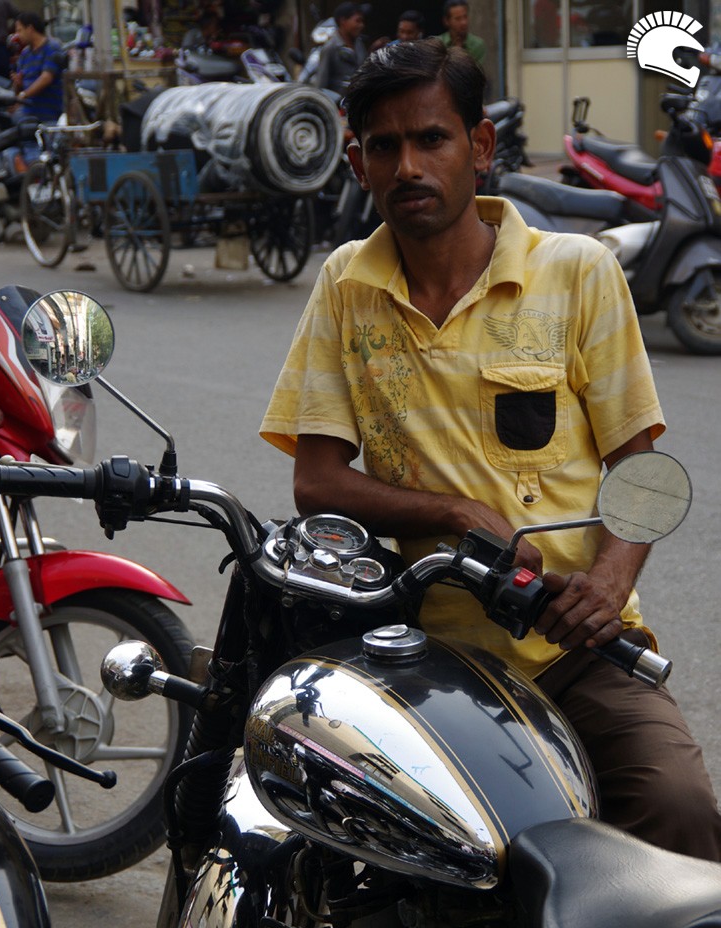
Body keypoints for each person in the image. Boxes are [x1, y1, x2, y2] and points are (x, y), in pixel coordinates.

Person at [261, 39, 721, 861]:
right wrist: (452, 512)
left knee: (678, 809)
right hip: (426, 655)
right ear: (358, 164)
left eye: (431, 139)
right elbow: (317, 481)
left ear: (479, 146)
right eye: (384, 146)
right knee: (380, 846)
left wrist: (607, 586)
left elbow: (641, 472)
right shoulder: (346, 285)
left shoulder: (577, 273)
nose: (408, 166)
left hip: (574, 646)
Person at [12, 11, 64, 124]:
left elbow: (46, 78)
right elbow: (20, 84)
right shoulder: (25, 53)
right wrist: (18, 83)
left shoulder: (52, 48)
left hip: (49, 114)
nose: (17, 35)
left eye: (19, 30)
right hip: (28, 111)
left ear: (30, 29)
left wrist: (24, 95)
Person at [315, 2, 367, 97]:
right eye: (357, 21)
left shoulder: (359, 44)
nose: (361, 25)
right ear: (343, 21)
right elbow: (321, 84)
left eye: (362, 21)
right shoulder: (330, 48)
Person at [438, 0, 484, 65]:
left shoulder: (478, 45)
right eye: (458, 18)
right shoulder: (438, 43)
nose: (464, 22)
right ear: (446, 21)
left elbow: (475, 70)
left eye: (465, 17)